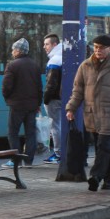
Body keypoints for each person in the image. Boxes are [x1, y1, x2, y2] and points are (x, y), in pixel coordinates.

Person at [66, 35, 110, 191]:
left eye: (102, 48)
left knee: (102, 145)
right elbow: (77, 90)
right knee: (104, 148)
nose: (98, 50)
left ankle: (95, 176)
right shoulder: (85, 66)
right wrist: (71, 108)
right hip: (92, 114)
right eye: (96, 47)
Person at [1, 38, 43, 169]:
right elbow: (39, 87)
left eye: (13, 49)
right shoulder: (34, 65)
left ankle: (15, 160)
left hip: (17, 105)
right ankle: (28, 161)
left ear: (18, 51)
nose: (12, 51)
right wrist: (38, 104)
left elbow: (6, 86)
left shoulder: (12, 65)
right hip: (32, 106)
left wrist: (8, 98)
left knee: (13, 132)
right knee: (30, 133)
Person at [42, 33, 63, 164]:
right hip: (62, 97)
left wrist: (46, 99)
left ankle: (58, 153)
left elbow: (51, 83)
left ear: (55, 44)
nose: (44, 47)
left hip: (54, 99)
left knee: (55, 126)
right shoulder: (64, 55)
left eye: (47, 44)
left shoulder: (55, 60)